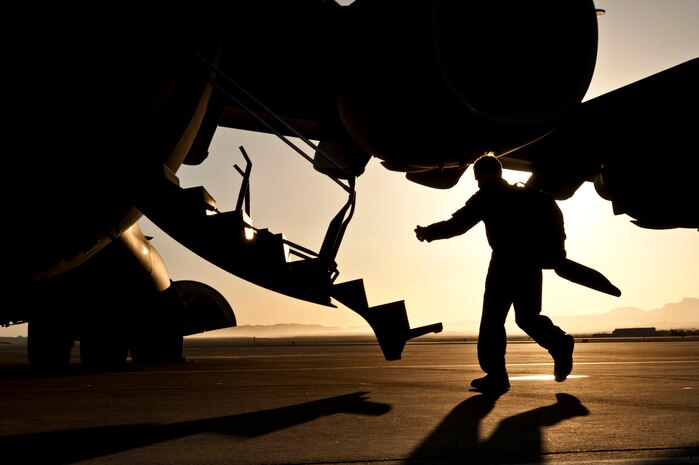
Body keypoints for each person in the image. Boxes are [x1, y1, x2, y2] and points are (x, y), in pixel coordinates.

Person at [415, 153, 574, 392]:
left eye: (477, 176)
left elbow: (458, 224)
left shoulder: (489, 195)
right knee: (528, 317)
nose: (477, 181)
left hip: (505, 263)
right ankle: (560, 344)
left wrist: (428, 232)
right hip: (531, 263)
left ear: (482, 174)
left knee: (492, 320)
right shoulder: (526, 196)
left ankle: (496, 375)